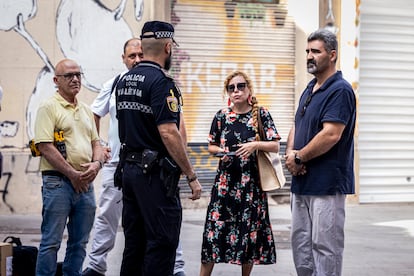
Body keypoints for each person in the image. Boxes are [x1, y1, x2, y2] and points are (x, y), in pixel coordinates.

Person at [83, 38, 187, 276]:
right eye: (132, 56)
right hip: (118, 164)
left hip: (153, 166)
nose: (138, 60)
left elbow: (176, 125)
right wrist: (98, 146)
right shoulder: (115, 83)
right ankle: (96, 265)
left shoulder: (160, 83)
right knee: (109, 216)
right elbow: (93, 115)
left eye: (141, 54)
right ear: (124, 59)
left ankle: (177, 267)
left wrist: (179, 160)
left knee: (161, 221)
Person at [116, 21, 202, 275]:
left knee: (134, 243)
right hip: (153, 176)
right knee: (162, 242)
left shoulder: (125, 80)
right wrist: (191, 175)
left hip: (130, 170)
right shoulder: (162, 83)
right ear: (167, 46)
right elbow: (168, 132)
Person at [285, 29, 356, 276]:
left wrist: (299, 157)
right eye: (307, 51)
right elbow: (297, 124)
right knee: (301, 246)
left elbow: (331, 134)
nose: (309, 56)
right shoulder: (310, 88)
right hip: (301, 183)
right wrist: (291, 154)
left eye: (315, 51)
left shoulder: (340, 90)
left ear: (332, 55)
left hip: (326, 184)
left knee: (326, 248)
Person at [200, 71, 279, 276]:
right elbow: (211, 146)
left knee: (248, 237)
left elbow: (275, 145)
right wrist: (221, 153)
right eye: (231, 87)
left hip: (250, 187)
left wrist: (255, 145)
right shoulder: (221, 116)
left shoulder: (261, 114)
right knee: (213, 235)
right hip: (225, 185)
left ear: (249, 89)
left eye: (241, 86)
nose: (236, 91)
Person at [34, 59, 104, 276]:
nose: (75, 79)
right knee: (51, 242)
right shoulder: (48, 107)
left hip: (85, 184)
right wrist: (73, 174)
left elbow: (96, 143)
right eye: (69, 76)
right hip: (58, 183)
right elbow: (45, 146)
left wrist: (97, 164)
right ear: (56, 80)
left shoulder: (85, 109)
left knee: (79, 243)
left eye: (78, 74)